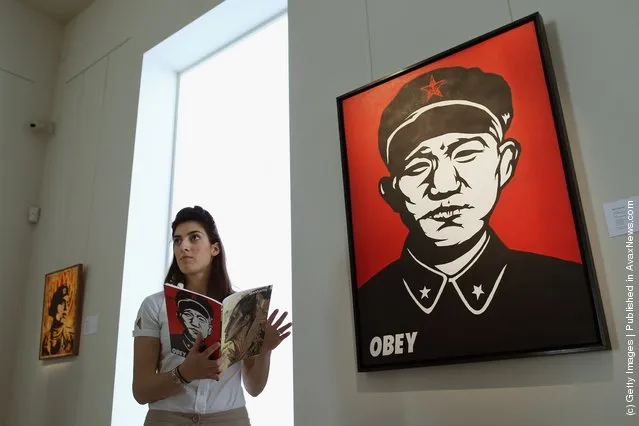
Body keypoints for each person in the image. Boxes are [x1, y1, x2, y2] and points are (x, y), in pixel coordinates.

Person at [356, 66, 601, 370]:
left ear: (505, 163)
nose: (444, 186)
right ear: (393, 193)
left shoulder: (569, 287)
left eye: (466, 154)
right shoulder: (368, 304)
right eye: (418, 166)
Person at [132, 206, 292, 425]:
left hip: (229, 418)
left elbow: (254, 388)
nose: (183, 247)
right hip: (167, 419)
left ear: (214, 248)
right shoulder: (154, 305)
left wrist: (265, 351)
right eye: (177, 241)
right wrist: (184, 373)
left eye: (194, 238)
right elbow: (141, 391)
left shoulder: (242, 307)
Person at [41, 284, 75, 356]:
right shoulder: (49, 335)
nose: (66, 309)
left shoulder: (68, 330)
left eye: (67, 304)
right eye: (63, 305)